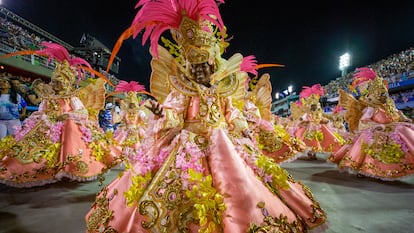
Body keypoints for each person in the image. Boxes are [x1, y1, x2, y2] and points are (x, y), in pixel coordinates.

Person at [85, 1, 326, 232]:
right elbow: (173, 114)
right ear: (189, 65)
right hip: (188, 143)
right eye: (195, 64)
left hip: (223, 143)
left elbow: (231, 114)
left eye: (205, 64)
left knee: (240, 186)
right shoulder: (183, 88)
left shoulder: (223, 88)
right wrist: (160, 112)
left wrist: (243, 129)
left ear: (212, 63)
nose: (200, 69)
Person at [0, 42, 115, 188]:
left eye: (60, 82)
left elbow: (82, 112)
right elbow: (41, 111)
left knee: (70, 127)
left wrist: (68, 116)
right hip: (47, 126)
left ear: (67, 83)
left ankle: (70, 166)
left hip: (66, 126)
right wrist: (43, 117)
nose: (57, 85)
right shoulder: (49, 98)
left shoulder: (71, 97)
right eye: (55, 82)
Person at [329, 67, 414, 180]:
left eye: (384, 94)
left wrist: (404, 119)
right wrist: (377, 126)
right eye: (380, 94)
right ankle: (367, 168)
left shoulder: (390, 105)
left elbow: (397, 114)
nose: (383, 96)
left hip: (392, 129)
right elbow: (364, 122)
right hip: (377, 131)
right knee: (372, 148)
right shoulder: (371, 108)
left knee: (405, 132)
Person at [293, 84, 346, 160]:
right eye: (314, 106)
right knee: (311, 141)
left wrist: (326, 120)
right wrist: (304, 120)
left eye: (317, 107)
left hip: (319, 127)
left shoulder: (318, 110)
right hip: (310, 128)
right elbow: (304, 118)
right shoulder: (308, 112)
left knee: (326, 139)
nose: (316, 108)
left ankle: (315, 153)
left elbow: (321, 116)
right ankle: (311, 153)